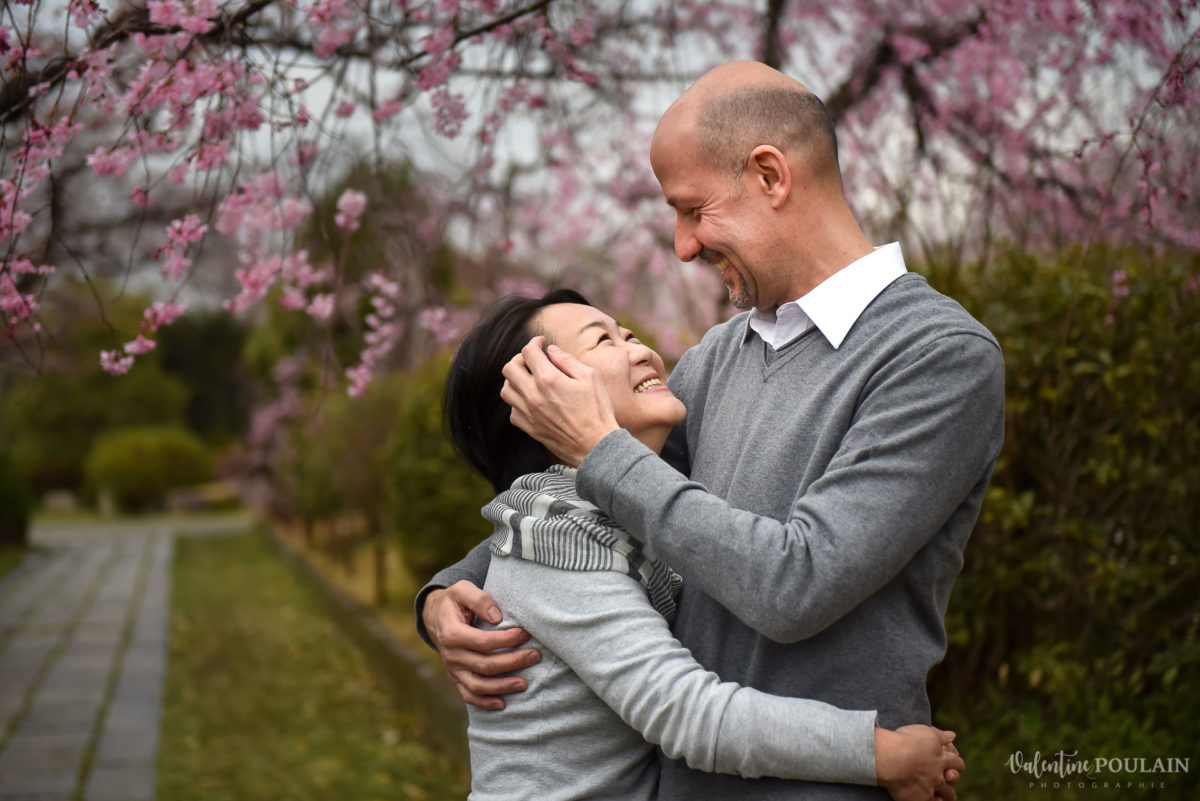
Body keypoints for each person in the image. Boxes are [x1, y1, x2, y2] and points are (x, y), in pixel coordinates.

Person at [419, 61, 1005, 800]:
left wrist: (598, 446)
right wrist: (449, 593)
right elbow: (586, 504)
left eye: (692, 209)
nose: (683, 245)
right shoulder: (719, 357)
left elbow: (799, 582)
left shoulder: (938, 358)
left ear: (769, 176)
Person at [442, 288, 963, 801]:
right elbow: (685, 713)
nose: (640, 348)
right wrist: (883, 755)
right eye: (603, 341)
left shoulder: (598, 519)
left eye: (626, 332)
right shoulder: (557, 549)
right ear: (536, 401)